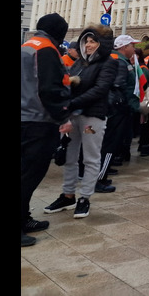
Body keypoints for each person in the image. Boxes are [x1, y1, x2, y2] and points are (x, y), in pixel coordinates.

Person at [44, 24, 118, 220]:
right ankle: (68, 195)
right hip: (74, 116)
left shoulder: (108, 62)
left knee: (91, 158)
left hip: (92, 116)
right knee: (69, 156)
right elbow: (69, 82)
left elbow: (100, 89)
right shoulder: (80, 63)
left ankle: (84, 198)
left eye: (93, 41)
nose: (88, 45)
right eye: (86, 41)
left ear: (102, 43)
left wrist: (71, 101)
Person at [21, 13, 73, 246]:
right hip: (38, 120)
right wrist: (63, 115)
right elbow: (49, 88)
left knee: (25, 171)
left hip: (25, 117)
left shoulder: (27, 46)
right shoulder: (47, 50)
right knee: (28, 174)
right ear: (59, 32)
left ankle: (24, 218)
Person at [96, 34, 142, 193]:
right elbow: (119, 86)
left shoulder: (113, 59)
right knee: (110, 143)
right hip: (117, 109)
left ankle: (102, 174)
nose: (133, 49)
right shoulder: (121, 63)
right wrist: (128, 104)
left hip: (113, 108)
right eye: (131, 45)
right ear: (124, 47)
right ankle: (100, 179)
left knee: (107, 142)